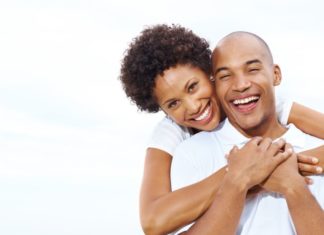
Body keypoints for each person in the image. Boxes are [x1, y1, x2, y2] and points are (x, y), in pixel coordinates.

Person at [119, 24, 324, 234]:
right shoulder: (175, 135)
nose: (193, 106)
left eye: (193, 87)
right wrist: (242, 175)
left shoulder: (268, 104)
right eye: (173, 104)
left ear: (210, 75)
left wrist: (278, 165)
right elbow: (154, 221)